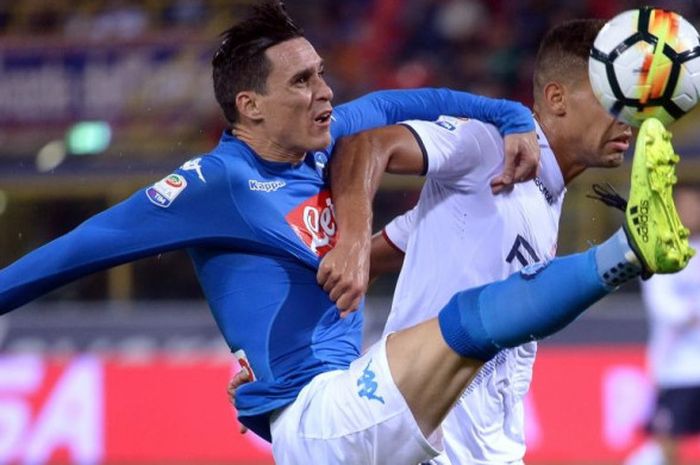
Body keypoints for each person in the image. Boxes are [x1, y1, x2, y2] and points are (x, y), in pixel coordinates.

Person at [0, 1, 693, 463]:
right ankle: (626, 249)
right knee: (466, 323)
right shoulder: (216, 185)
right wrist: (356, 240)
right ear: (251, 106)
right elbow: (77, 250)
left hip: (361, 400)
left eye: (322, 73)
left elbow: (425, 101)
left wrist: (512, 121)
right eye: (302, 81)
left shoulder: (326, 144)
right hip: (308, 418)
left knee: (473, 325)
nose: (325, 91)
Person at [317, 18, 695, 465]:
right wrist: (352, 242)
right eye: (612, 99)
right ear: (556, 99)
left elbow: (391, 252)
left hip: (493, 449)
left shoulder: (543, 193)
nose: (628, 118)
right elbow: (366, 145)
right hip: (428, 448)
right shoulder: (491, 146)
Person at [624, 183, 700, 465]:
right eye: (684, 205)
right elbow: (662, 307)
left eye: (695, 204)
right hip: (675, 367)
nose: (690, 211)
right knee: (668, 438)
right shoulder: (660, 255)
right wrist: (690, 314)